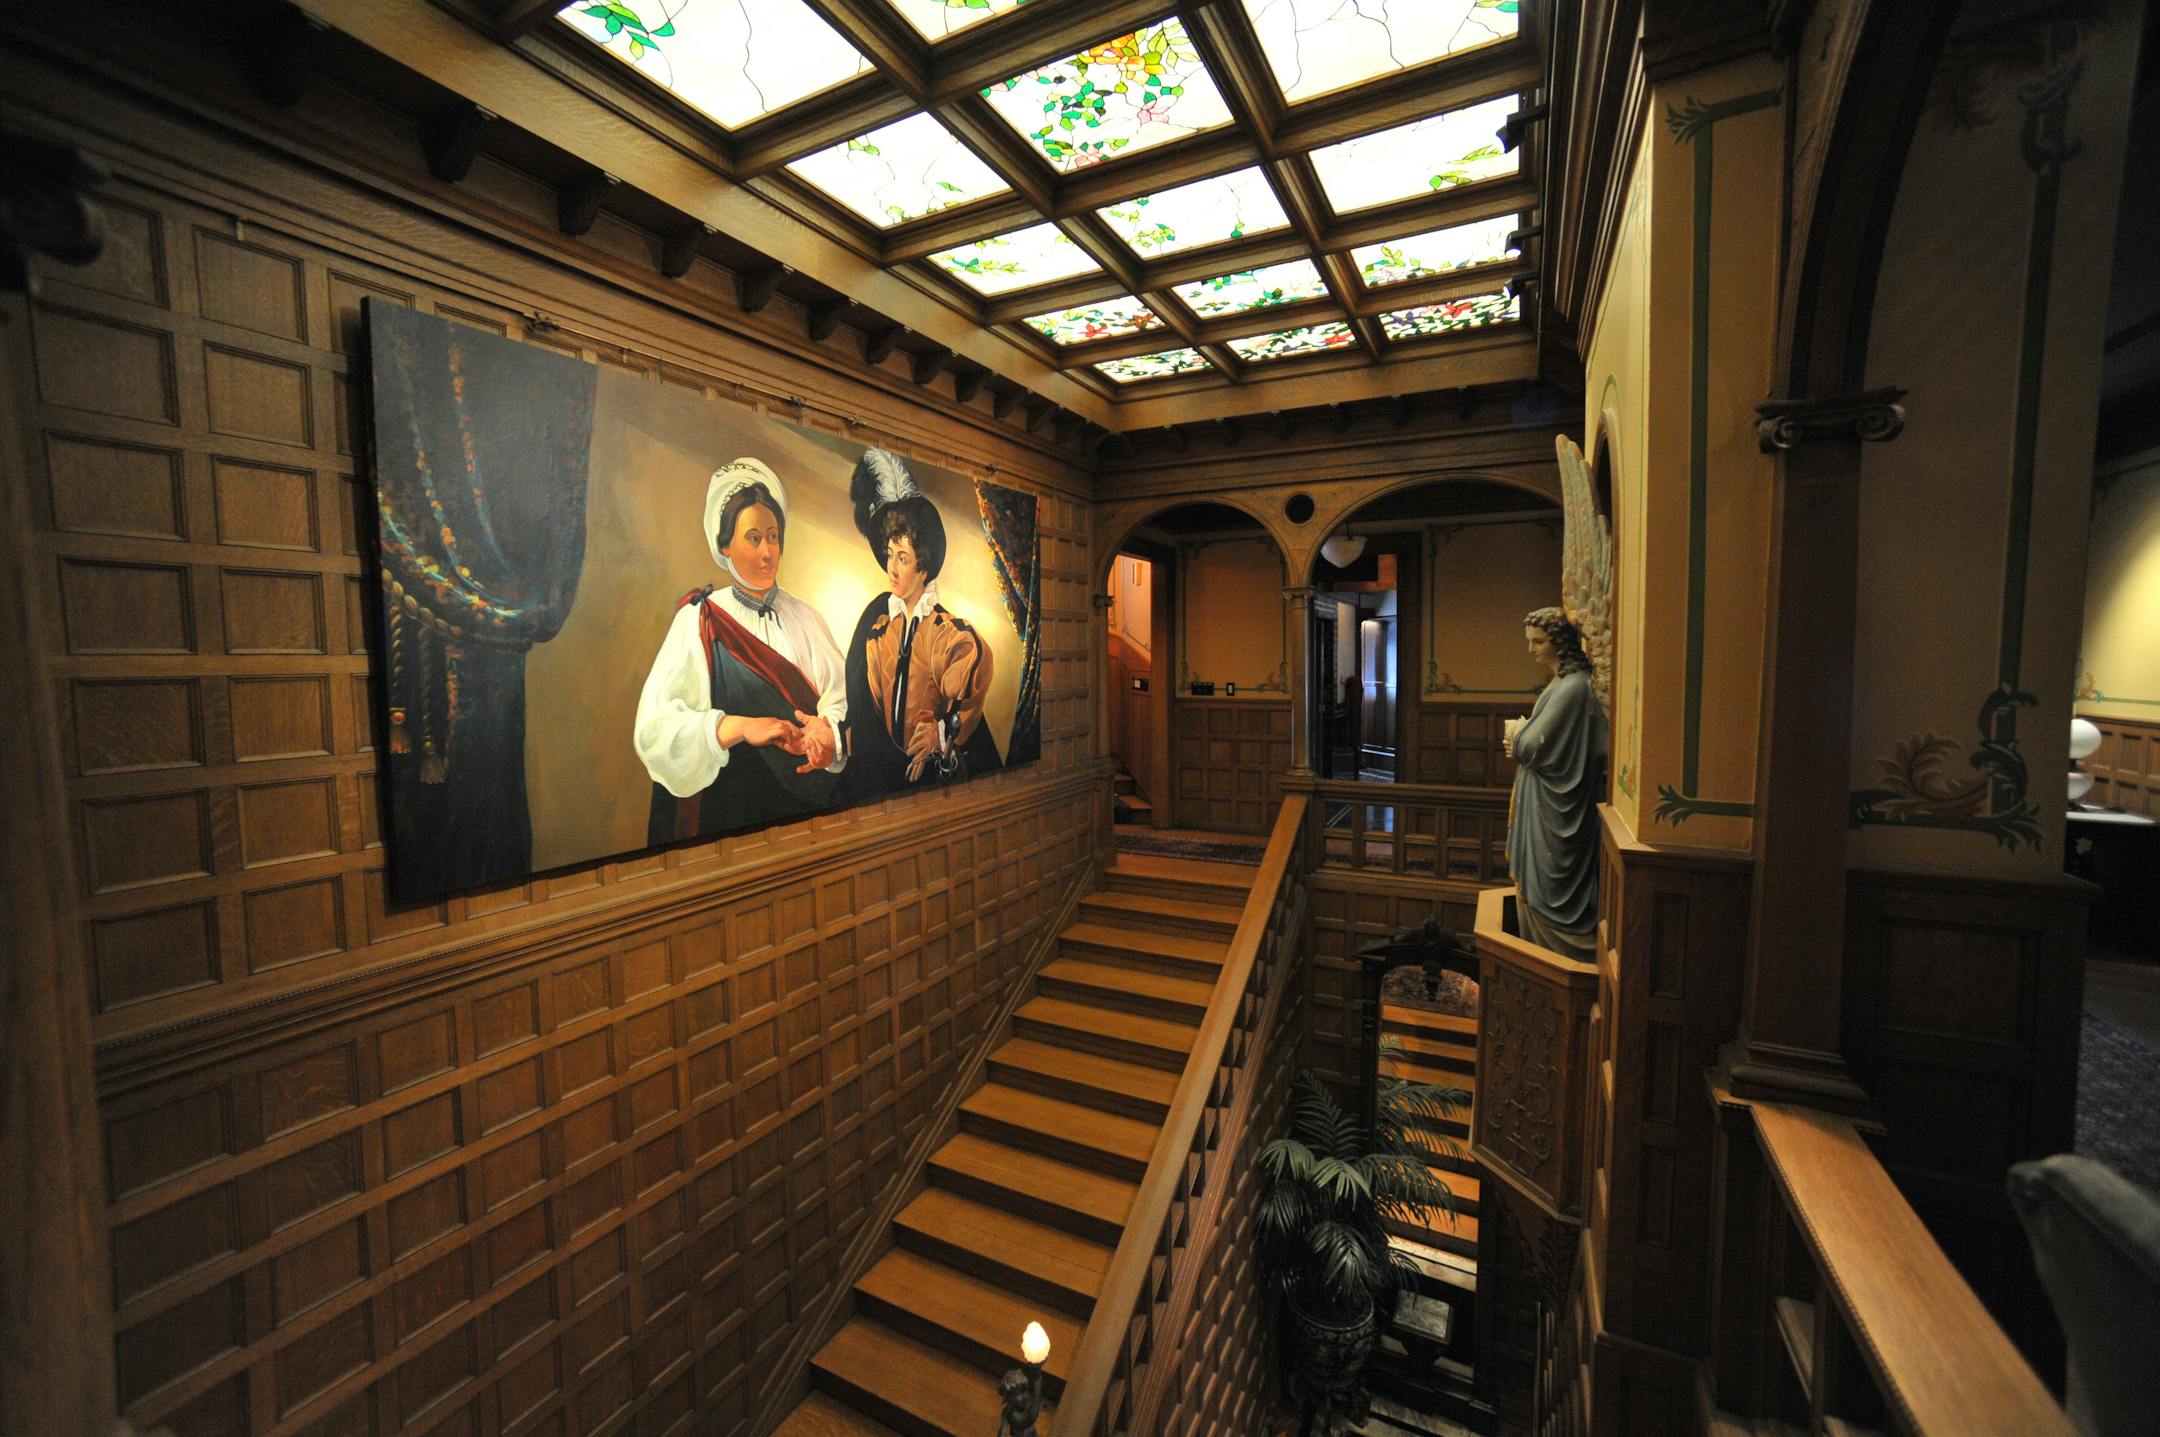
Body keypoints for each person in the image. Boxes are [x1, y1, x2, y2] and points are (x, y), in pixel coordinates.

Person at [634, 458, 848, 845]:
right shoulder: (699, 620)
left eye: (773, 537)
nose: (768, 552)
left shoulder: (806, 618)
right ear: (725, 545)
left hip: (809, 818)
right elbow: (655, 730)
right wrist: (739, 727)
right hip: (729, 823)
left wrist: (828, 736)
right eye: (753, 538)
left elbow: (843, 700)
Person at [841, 448, 1000, 802]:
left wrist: (941, 735)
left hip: (932, 783)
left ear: (923, 567)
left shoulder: (947, 632)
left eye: (903, 558)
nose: (892, 568)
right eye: (889, 555)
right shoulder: (877, 625)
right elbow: (862, 710)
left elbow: (971, 687)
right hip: (883, 780)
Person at [1504, 606, 1607, 961]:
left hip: (1556, 808)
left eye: (1539, 642)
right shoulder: (1562, 684)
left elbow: (1534, 744)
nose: (1531, 649)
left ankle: (1559, 959)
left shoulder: (1572, 687)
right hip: (1545, 799)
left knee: (1550, 885)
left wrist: (1518, 735)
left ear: (1560, 643)